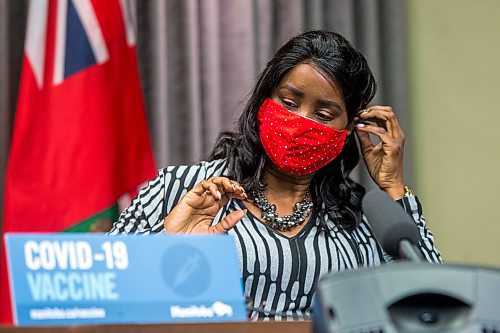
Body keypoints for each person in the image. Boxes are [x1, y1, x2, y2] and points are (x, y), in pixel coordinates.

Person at [109, 30, 442, 320]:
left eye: (324, 114)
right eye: (288, 102)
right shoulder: (179, 189)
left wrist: (393, 188)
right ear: (263, 101)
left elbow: (434, 309)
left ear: (350, 128)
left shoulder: (364, 218)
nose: (300, 121)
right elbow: (103, 293)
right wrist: (169, 248)